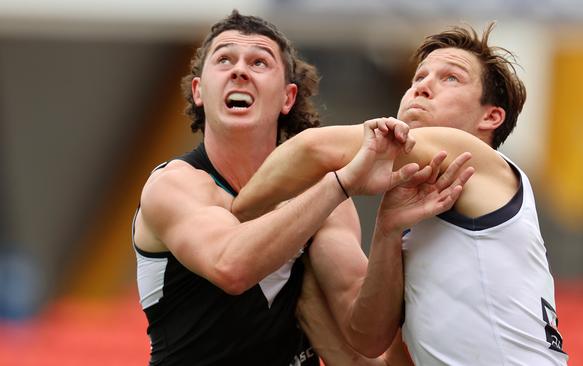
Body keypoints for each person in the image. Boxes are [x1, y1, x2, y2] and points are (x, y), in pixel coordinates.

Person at [131, 10, 471, 365]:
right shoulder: (174, 184)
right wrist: (340, 183)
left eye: (259, 62)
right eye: (224, 59)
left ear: (287, 98)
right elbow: (230, 266)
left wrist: (389, 228)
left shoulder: (326, 200)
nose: (240, 70)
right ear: (199, 91)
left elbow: (368, 335)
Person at [232, 23, 569, 365]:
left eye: (450, 78)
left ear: (491, 117)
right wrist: (387, 230)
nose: (422, 86)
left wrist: (232, 216)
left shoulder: (477, 159)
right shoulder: (420, 216)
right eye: (418, 77)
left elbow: (313, 149)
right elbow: (370, 340)